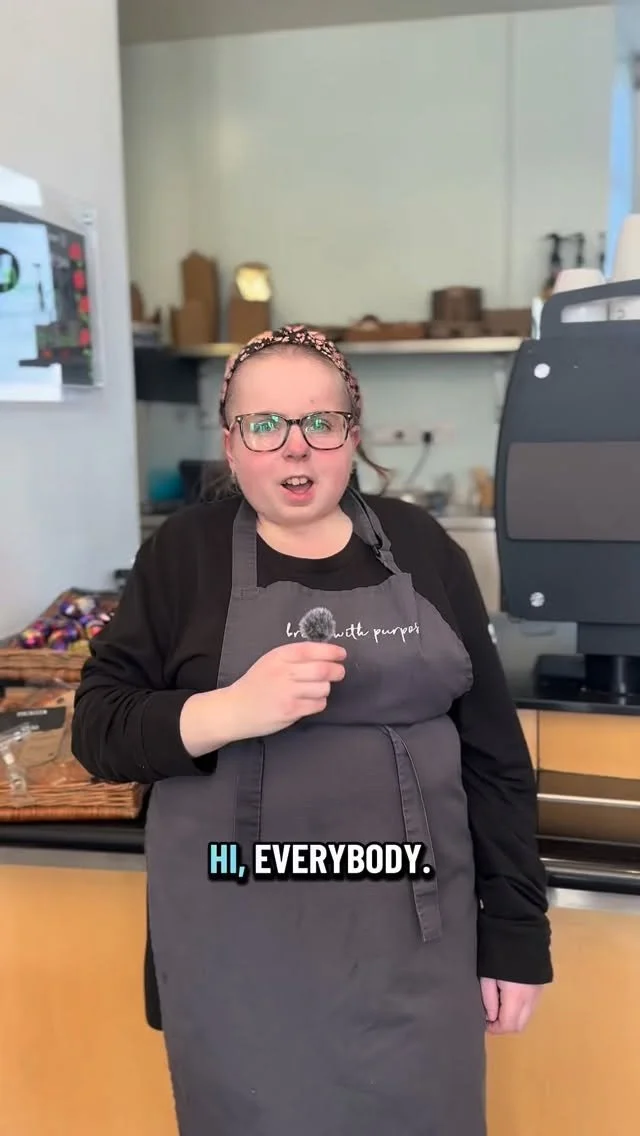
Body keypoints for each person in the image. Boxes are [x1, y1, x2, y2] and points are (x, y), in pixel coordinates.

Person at [72, 324, 552, 1136]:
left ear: (352, 437)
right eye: (264, 425)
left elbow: (494, 758)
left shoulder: (422, 547)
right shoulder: (183, 555)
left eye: (320, 423)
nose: (295, 447)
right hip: (238, 948)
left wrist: (516, 936)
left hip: (412, 946)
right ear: (232, 444)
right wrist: (231, 709)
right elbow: (98, 728)